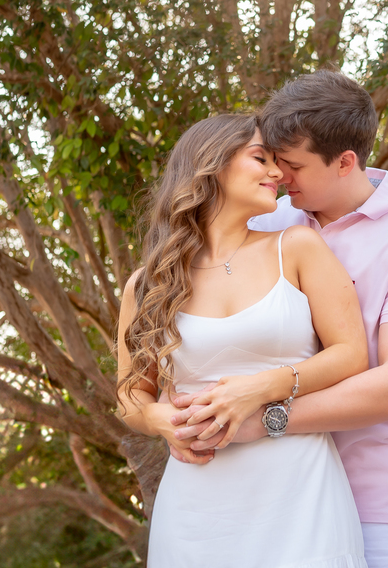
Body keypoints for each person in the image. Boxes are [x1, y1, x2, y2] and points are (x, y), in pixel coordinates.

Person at [171, 71, 388, 568]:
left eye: (294, 165)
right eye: (273, 162)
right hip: (258, 498)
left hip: (374, 507)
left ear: (346, 162)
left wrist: (266, 419)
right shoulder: (263, 223)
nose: (279, 176)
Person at [116, 113, 371, 568]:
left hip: (301, 499)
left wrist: (260, 388)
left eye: (279, 162)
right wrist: (162, 420)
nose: (278, 173)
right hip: (196, 512)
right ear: (210, 163)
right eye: (262, 158)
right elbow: (131, 396)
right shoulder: (146, 285)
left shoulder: (296, 247)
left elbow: (352, 355)